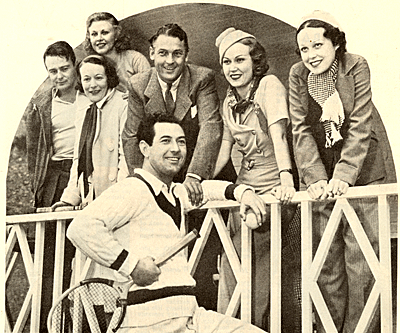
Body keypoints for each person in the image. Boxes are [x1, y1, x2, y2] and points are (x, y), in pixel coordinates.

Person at [67, 114, 267, 332]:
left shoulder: (175, 193)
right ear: (145, 148)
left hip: (190, 315)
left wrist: (242, 192)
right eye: (165, 141)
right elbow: (81, 227)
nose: (176, 149)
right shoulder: (132, 189)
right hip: (149, 322)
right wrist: (131, 266)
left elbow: (206, 190)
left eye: (180, 141)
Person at [289, 10, 395, 333]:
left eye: (317, 45)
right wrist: (318, 179)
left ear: (335, 43)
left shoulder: (356, 65)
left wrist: (344, 176)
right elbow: (300, 131)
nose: (310, 55)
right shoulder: (297, 76)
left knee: (362, 263)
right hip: (321, 176)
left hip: (362, 174)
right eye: (304, 49)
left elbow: (362, 123)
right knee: (326, 265)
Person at [213, 28, 299, 330]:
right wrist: (197, 181)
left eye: (239, 60)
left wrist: (287, 179)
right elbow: (224, 149)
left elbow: (279, 138)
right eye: (226, 62)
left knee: (262, 270)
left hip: (275, 185)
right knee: (232, 265)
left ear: (255, 61)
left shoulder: (269, 86)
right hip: (246, 190)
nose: (233, 68)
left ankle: (253, 328)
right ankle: (228, 327)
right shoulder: (227, 101)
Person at [122, 23, 224, 206]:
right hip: (161, 175)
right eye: (163, 53)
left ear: (186, 55)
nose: (170, 61)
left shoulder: (202, 78)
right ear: (152, 54)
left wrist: (195, 175)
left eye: (177, 54)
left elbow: (211, 127)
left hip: (201, 174)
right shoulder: (138, 84)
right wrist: (143, 181)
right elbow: (131, 136)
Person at [24, 41, 87, 332]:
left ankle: (84, 322)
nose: (60, 76)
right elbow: (35, 151)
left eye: (64, 68)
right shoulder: (42, 106)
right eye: (53, 71)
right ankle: (49, 323)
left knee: (83, 250)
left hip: (85, 174)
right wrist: (41, 185)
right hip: (56, 175)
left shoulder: (90, 94)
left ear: (75, 64)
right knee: (50, 255)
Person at [53, 55, 129, 209]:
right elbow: (78, 158)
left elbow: (126, 157)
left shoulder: (123, 104)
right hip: (91, 200)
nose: (92, 85)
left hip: (116, 199)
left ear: (109, 78)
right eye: (87, 79)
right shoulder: (85, 110)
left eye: (99, 78)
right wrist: (70, 198)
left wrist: (118, 198)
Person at [84, 12, 150, 92]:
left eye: (105, 33)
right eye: (94, 34)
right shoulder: (90, 66)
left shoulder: (135, 59)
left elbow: (151, 90)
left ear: (116, 33)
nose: (99, 38)